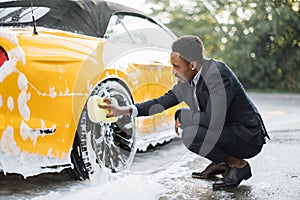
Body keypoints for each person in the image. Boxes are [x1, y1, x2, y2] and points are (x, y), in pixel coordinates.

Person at [99, 35, 269, 190]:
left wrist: (183, 115)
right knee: (191, 131)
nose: (173, 71)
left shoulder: (217, 75)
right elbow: (160, 103)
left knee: (191, 134)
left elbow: (213, 120)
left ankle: (238, 165)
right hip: (227, 131)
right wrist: (123, 110)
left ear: (192, 64)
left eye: (176, 66)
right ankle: (222, 163)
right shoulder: (186, 80)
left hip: (247, 136)